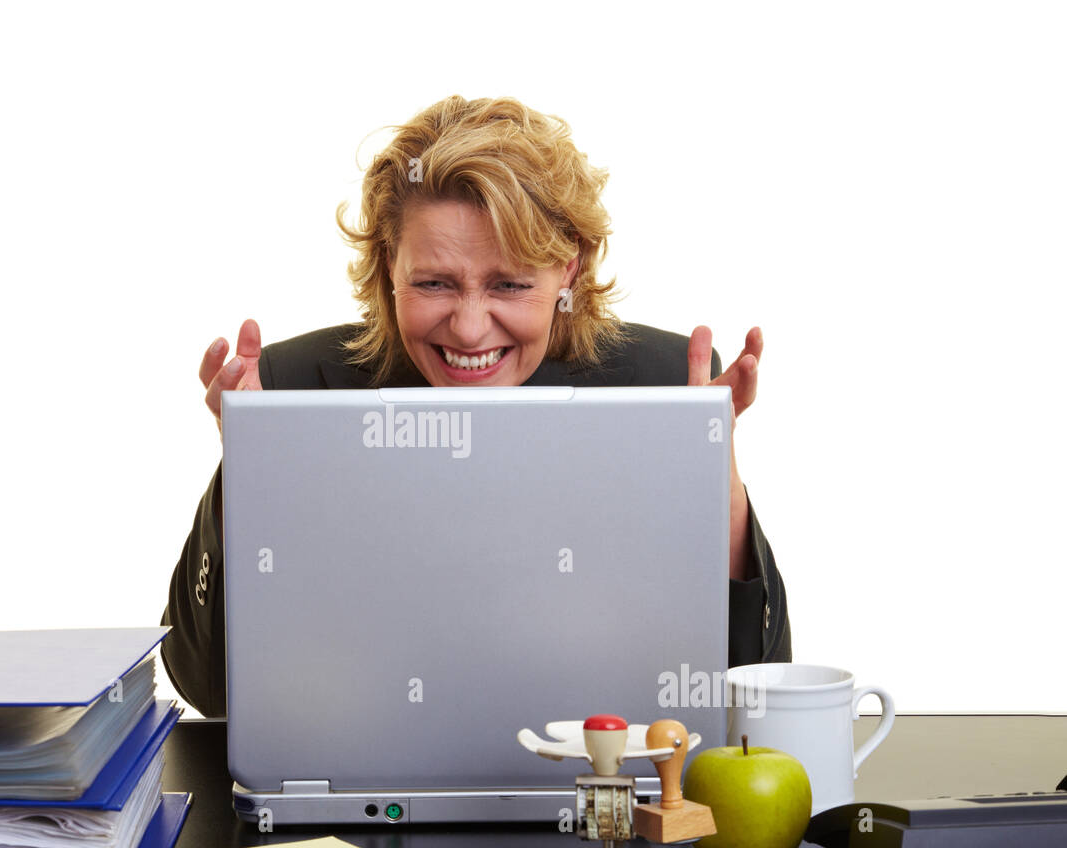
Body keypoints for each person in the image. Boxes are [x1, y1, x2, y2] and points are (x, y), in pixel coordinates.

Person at [161, 95, 791, 717]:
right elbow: (205, 687)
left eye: (509, 285)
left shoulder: (664, 388)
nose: (467, 329)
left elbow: (754, 685)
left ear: (568, 272)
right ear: (389, 264)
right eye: (434, 283)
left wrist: (718, 477)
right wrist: (249, 474)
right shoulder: (292, 388)